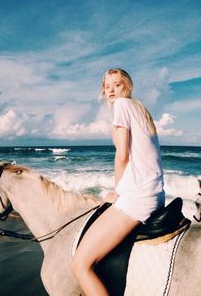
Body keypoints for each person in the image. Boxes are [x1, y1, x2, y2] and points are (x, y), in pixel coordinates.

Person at [71, 68, 165, 295]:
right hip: (155, 192)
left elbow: (122, 154)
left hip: (138, 197)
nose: (111, 89)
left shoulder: (122, 106)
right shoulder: (139, 108)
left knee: (80, 265)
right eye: (107, 85)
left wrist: (118, 190)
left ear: (127, 86)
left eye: (117, 84)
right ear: (103, 90)